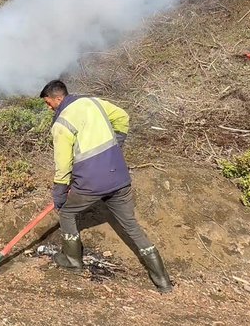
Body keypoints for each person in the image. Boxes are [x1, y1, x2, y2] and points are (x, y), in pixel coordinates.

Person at [40, 80, 173, 293]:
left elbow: (63, 164)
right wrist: (116, 146)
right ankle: (163, 281)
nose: (49, 108)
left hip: (91, 183)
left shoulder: (62, 123)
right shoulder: (93, 102)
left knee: (66, 213)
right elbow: (123, 117)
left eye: (49, 103)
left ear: (58, 98)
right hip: (119, 177)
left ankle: (73, 261)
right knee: (131, 226)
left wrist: (59, 193)